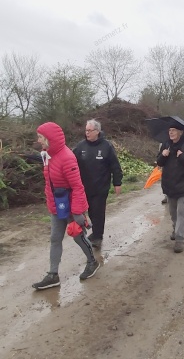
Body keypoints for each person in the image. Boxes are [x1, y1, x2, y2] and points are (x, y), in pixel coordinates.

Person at [32, 122, 99, 290]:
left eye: (40, 137)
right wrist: (51, 204)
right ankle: (53, 275)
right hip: (57, 206)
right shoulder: (47, 155)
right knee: (55, 238)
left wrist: (77, 212)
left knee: (78, 237)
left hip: (71, 207)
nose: (38, 140)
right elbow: (50, 183)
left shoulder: (67, 158)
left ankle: (92, 262)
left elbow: (77, 187)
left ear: (49, 138)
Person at [73, 119, 123, 247]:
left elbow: (115, 166)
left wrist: (117, 183)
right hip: (85, 187)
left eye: (90, 130)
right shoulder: (81, 146)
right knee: (91, 211)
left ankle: (98, 236)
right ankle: (95, 233)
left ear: (97, 131)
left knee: (98, 212)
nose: (87, 133)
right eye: (86, 130)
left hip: (101, 187)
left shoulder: (107, 146)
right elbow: (70, 161)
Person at [157, 122, 184, 253]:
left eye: (174, 130)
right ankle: (175, 229)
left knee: (181, 213)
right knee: (173, 212)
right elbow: (159, 163)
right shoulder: (166, 144)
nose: (170, 132)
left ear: (180, 132)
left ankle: (180, 239)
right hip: (169, 185)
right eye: (170, 130)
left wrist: (183, 156)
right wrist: (163, 155)